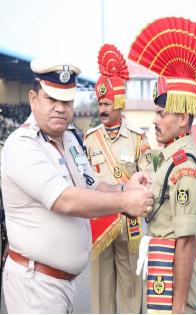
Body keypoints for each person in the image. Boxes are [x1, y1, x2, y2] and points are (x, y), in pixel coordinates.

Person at [0, 60, 154, 313]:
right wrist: (125, 203)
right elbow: (66, 200)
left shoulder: (70, 139)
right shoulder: (23, 146)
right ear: (33, 99)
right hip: (35, 286)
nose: (60, 109)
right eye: (52, 99)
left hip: (61, 284)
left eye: (67, 101)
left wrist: (125, 190)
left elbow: (90, 186)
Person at [128, 16, 196, 313]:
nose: (155, 120)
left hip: (176, 275)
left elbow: (186, 242)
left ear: (182, 118)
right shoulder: (172, 159)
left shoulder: (185, 167)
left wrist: (176, 309)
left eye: (162, 114)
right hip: (164, 267)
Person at [83, 44, 154, 314]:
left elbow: (148, 176)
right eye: (99, 103)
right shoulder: (90, 139)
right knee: (101, 291)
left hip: (129, 223)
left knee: (131, 288)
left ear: (119, 103)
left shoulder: (137, 137)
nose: (102, 108)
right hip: (99, 222)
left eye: (106, 103)